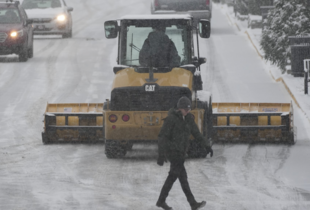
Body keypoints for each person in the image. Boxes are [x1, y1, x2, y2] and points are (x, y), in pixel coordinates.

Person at [156, 96, 213, 210]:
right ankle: (191, 203)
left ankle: (162, 201)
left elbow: (197, 134)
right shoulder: (171, 119)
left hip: (181, 152)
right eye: (185, 109)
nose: (187, 111)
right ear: (179, 108)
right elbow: (162, 137)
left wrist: (207, 146)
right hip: (173, 152)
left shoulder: (189, 119)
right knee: (177, 178)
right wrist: (161, 154)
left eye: (189, 109)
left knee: (179, 178)